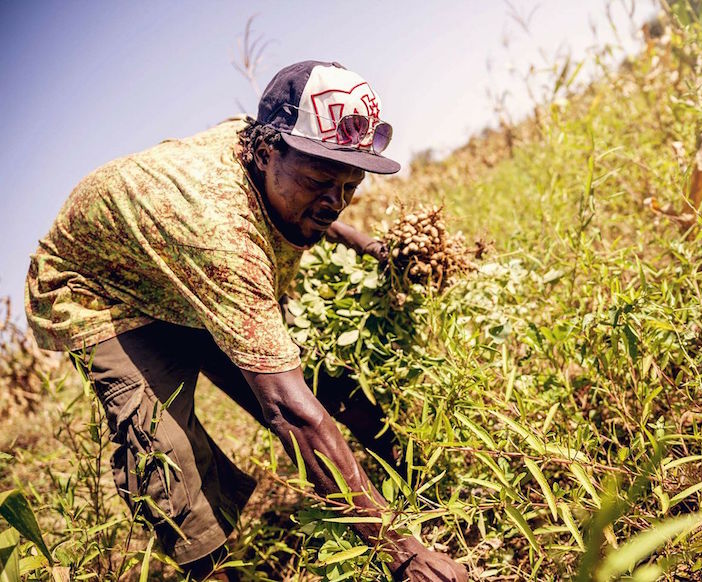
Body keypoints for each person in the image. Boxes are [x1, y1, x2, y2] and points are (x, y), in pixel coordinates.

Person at [25, 60, 468, 582]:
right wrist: (402, 552)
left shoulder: (269, 143)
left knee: (314, 378)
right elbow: (289, 411)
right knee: (166, 452)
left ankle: (421, 472)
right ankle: (219, 572)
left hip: (175, 253)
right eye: (320, 181)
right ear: (264, 152)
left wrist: (368, 244)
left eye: (350, 184)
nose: (335, 200)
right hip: (100, 288)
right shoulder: (220, 236)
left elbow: (316, 193)